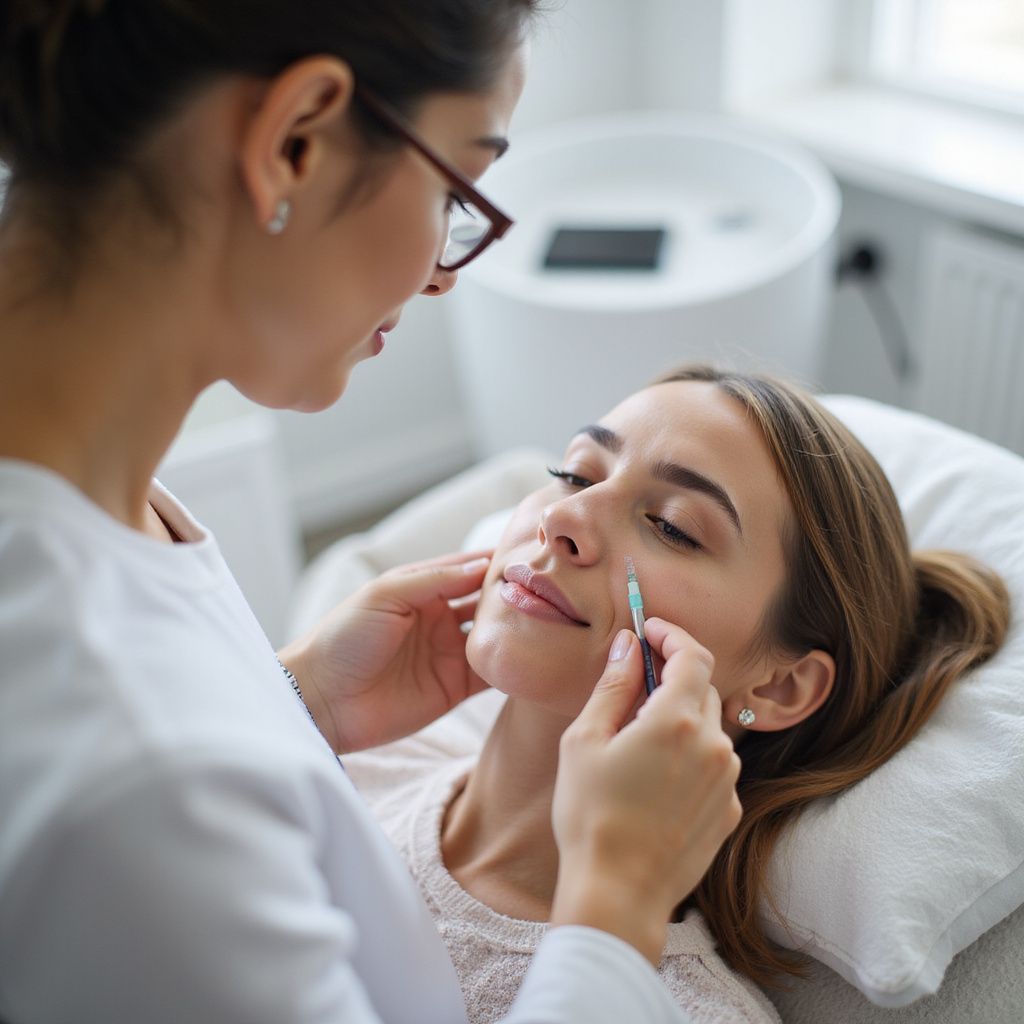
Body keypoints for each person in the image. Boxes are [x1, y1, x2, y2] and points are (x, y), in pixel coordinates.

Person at [0, 5, 744, 1023]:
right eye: (454, 189)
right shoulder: (127, 763)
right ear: (294, 140)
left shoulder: (103, 499)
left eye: (674, 523)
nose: (442, 271)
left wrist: (289, 705)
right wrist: (616, 906)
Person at [324, 365, 1010, 1024]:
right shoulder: (347, 752)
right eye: (575, 473)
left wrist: (614, 911)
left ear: (780, 684)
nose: (565, 519)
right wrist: (298, 703)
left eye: (673, 526)